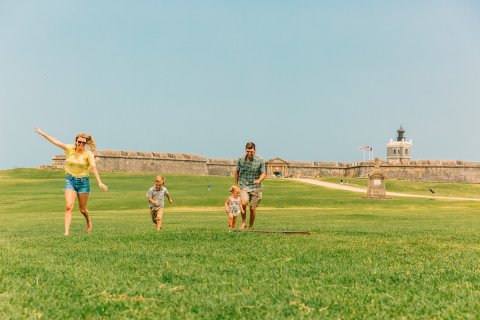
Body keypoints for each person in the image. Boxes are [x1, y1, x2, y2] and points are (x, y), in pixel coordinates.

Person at [34, 127, 108, 236]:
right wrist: (42, 133)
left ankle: (88, 221)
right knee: (69, 206)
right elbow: (55, 141)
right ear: (76, 142)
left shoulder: (88, 155)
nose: (81, 144)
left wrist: (100, 182)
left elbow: (93, 168)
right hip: (70, 180)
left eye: (83, 143)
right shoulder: (69, 149)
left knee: (82, 209)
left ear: (86, 144)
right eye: (79, 142)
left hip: (83, 182)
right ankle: (66, 233)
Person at [234, 142, 266, 229]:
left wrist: (259, 180)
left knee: (252, 208)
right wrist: (236, 185)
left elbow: (263, 174)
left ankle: (251, 227)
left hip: (256, 188)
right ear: (245, 150)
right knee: (243, 203)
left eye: (251, 151)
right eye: (248, 151)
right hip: (244, 185)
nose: (249, 153)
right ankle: (243, 222)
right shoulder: (241, 159)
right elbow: (237, 172)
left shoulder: (260, 160)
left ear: (254, 150)